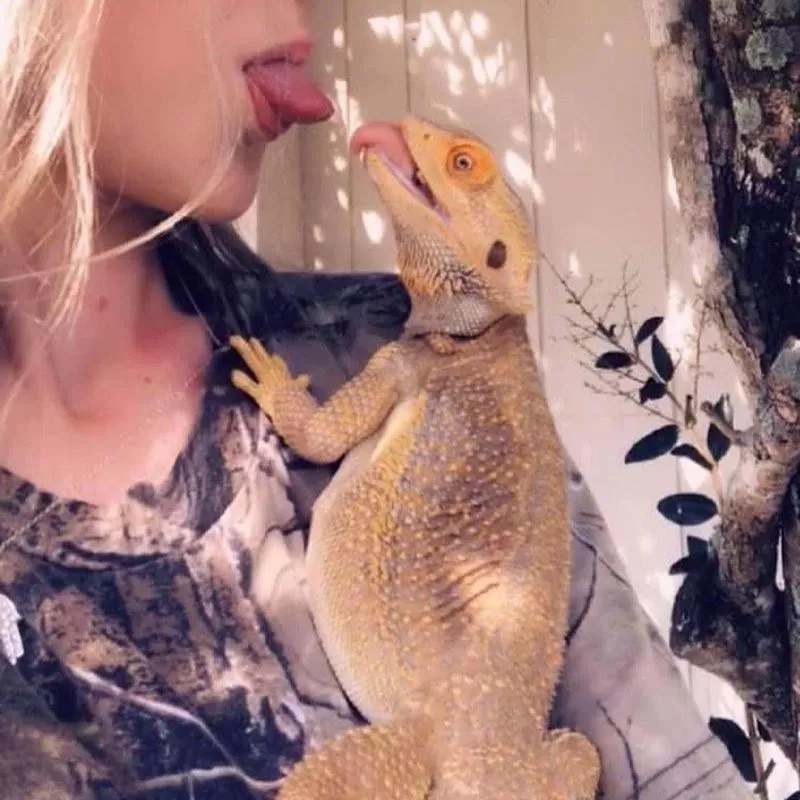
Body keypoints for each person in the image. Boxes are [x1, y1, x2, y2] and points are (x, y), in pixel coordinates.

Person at [0, 2, 752, 798]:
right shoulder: (426, 362)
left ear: (491, 255)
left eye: (463, 172)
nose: (300, 25)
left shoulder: (388, 344)